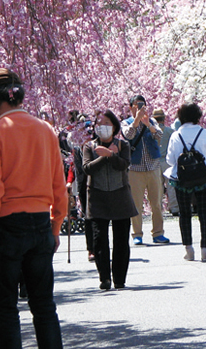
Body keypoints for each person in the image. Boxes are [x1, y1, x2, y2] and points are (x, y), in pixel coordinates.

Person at [0, 68, 67, 349]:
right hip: (40, 224)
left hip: (5, 228)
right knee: (44, 307)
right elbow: (59, 187)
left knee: (5, 310)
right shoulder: (45, 130)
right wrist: (55, 227)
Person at [82, 110, 138, 289]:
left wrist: (112, 155)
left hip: (120, 195)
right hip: (98, 197)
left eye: (106, 124)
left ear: (114, 126)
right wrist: (104, 156)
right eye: (99, 124)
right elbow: (87, 168)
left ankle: (119, 279)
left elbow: (124, 164)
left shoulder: (122, 145)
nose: (102, 127)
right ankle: (104, 278)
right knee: (100, 240)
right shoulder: (89, 147)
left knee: (121, 240)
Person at [164, 103, 206, 262]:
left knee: (185, 214)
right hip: (204, 178)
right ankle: (205, 250)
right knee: (204, 213)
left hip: (182, 180)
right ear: (198, 116)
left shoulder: (176, 135)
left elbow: (170, 160)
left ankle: (189, 250)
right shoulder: (205, 133)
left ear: (180, 117)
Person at [122, 95, 169, 245]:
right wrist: (136, 121)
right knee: (136, 204)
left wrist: (148, 124)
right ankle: (137, 234)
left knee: (156, 202)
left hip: (153, 167)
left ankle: (158, 233)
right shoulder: (126, 122)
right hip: (135, 169)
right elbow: (128, 135)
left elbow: (159, 135)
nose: (139, 108)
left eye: (142, 105)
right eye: (136, 105)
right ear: (130, 108)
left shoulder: (152, 121)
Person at [153, 108, 179, 216]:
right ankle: (174, 208)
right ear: (164, 119)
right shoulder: (170, 131)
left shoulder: (151, 131)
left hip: (155, 162)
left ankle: (157, 209)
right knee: (171, 186)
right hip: (167, 161)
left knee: (157, 187)